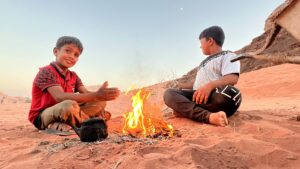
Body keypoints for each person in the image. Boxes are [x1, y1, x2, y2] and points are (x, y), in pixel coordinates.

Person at [28, 36, 120, 131]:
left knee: (100, 102)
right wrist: (96, 95)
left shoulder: (73, 75)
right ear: (56, 51)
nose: (72, 56)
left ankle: (71, 122)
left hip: (66, 112)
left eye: (76, 55)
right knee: (68, 105)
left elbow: (86, 94)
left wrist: (100, 95)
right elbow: (59, 97)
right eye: (67, 51)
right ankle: (88, 121)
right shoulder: (46, 71)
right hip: (43, 116)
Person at [164, 26, 242, 127]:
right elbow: (197, 85)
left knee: (231, 96)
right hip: (198, 97)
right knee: (169, 94)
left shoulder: (228, 55)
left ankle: (193, 113)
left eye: (201, 43)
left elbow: (232, 78)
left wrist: (209, 87)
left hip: (214, 97)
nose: (200, 46)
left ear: (210, 40)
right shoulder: (202, 63)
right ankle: (209, 116)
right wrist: (179, 85)